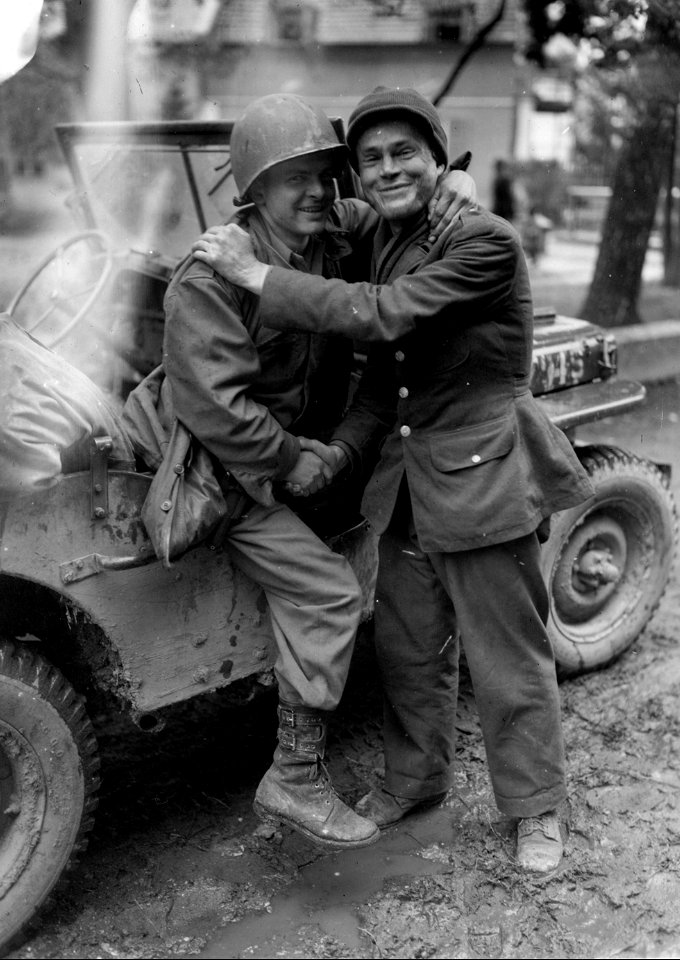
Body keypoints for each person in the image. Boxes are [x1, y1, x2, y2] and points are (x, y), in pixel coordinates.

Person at [191, 86, 595, 874]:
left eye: (405, 152)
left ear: (439, 158)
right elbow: (382, 372)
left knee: (506, 655)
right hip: (405, 481)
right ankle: (416, 779)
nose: (386, 169)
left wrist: (255, 277)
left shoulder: (484, 242)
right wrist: (344, 452)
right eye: (369, 159)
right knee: (410, 648)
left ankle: (537, 808)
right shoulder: (385, 232)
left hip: (483, 474)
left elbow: (386, 317)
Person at [162, 93, 476, 851]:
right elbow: (215, 408)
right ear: (252, 192)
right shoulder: (210, 278)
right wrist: (295, 459)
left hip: (310, 454)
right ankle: (294, 776)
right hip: (231, 468)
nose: (316, 191)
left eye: (324, 174)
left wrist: (456, 190)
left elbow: (406, 211)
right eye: (291, 178)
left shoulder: (338, 233)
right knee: (332, 592)